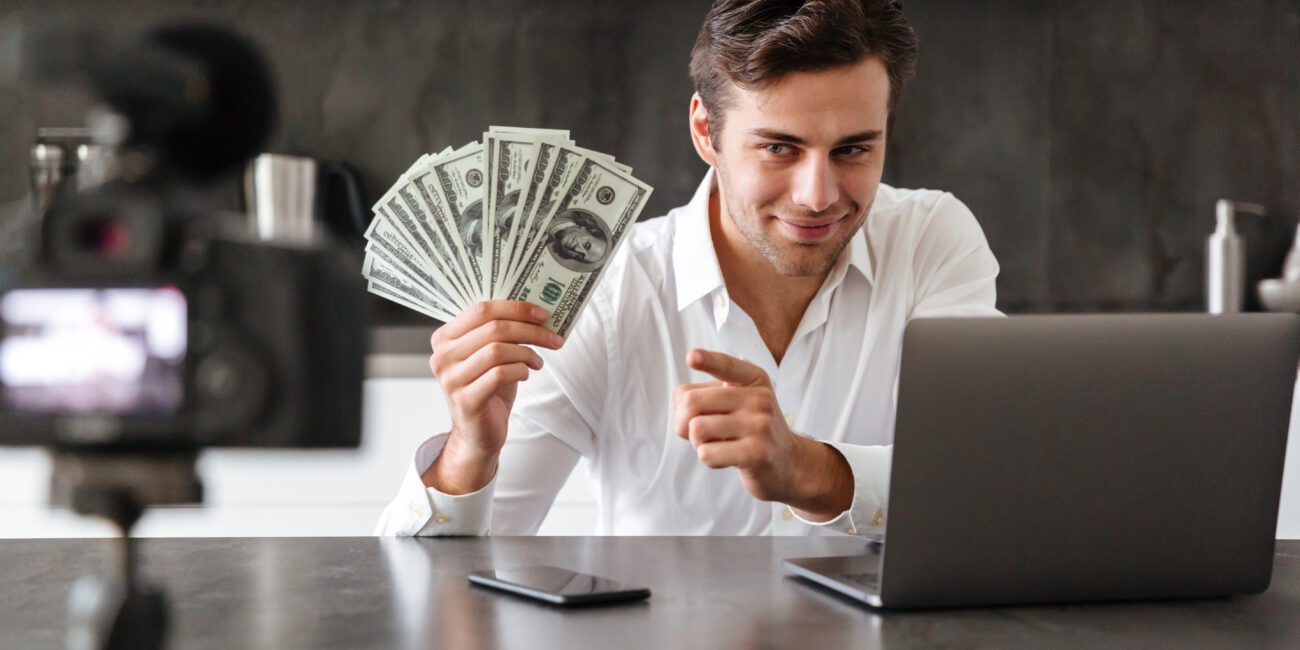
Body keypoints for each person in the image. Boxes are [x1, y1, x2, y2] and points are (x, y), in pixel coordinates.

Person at [377, 0, 1000, 537]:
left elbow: (984, 486)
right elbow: (420, 588)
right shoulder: (605, 289)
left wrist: (806, 469)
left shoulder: (932, 242)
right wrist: (470, 451)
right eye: (779, 148)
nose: (818, 194)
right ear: (706, 131)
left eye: (853, 149)